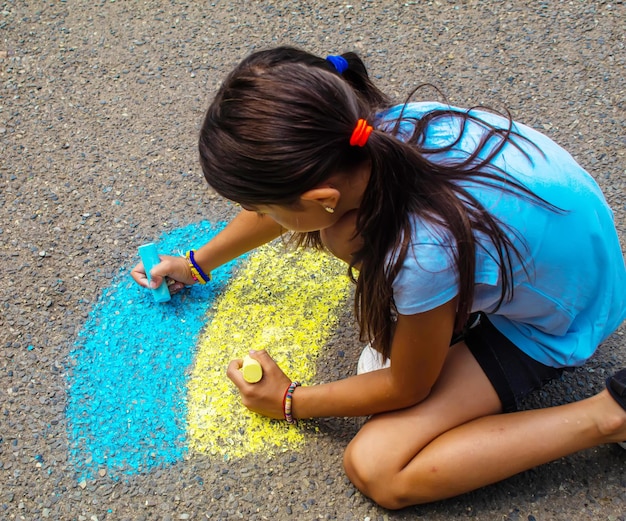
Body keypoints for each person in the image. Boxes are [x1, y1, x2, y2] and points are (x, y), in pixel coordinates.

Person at [131, 47, 626, 509]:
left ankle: (609, 416)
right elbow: (289, 199)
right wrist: (197, 264)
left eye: (256, 206)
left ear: (320, 198)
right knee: (346, 239)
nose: (253, 213)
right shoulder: (366, 135)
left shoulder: (421, 252)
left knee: (379, 467)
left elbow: (408, 386)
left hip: (563, 318)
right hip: (572, 251)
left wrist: (290, 401)